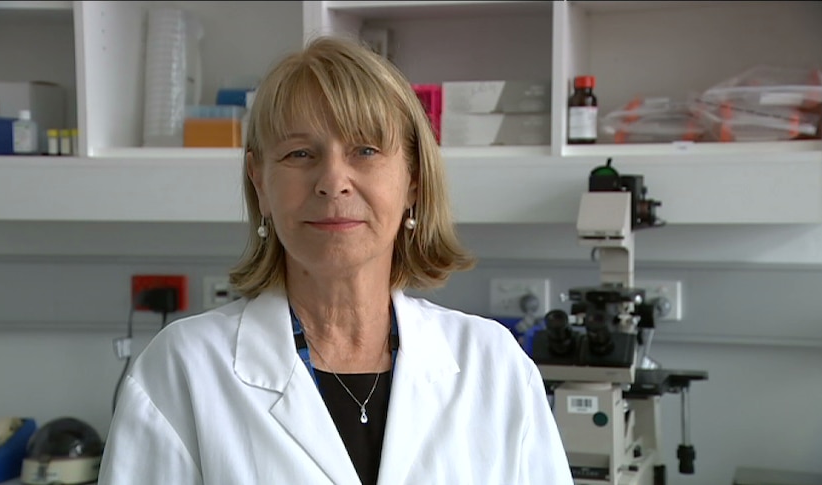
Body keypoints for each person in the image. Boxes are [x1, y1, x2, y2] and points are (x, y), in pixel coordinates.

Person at [98, 34, 573, 485]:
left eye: (365, 150)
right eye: (300, 153)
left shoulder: (493, 366)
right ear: (260, 182)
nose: (333, 181)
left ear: (412, 180)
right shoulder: (183, 368)